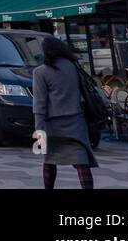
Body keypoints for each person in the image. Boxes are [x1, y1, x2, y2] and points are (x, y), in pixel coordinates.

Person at [33, 35, 98, 189]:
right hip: (76, 121)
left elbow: (39, 103)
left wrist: (38, 130)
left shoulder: (40, 72)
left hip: (52, 124)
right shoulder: (73, 66)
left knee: (49, 160)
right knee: (81, 161)